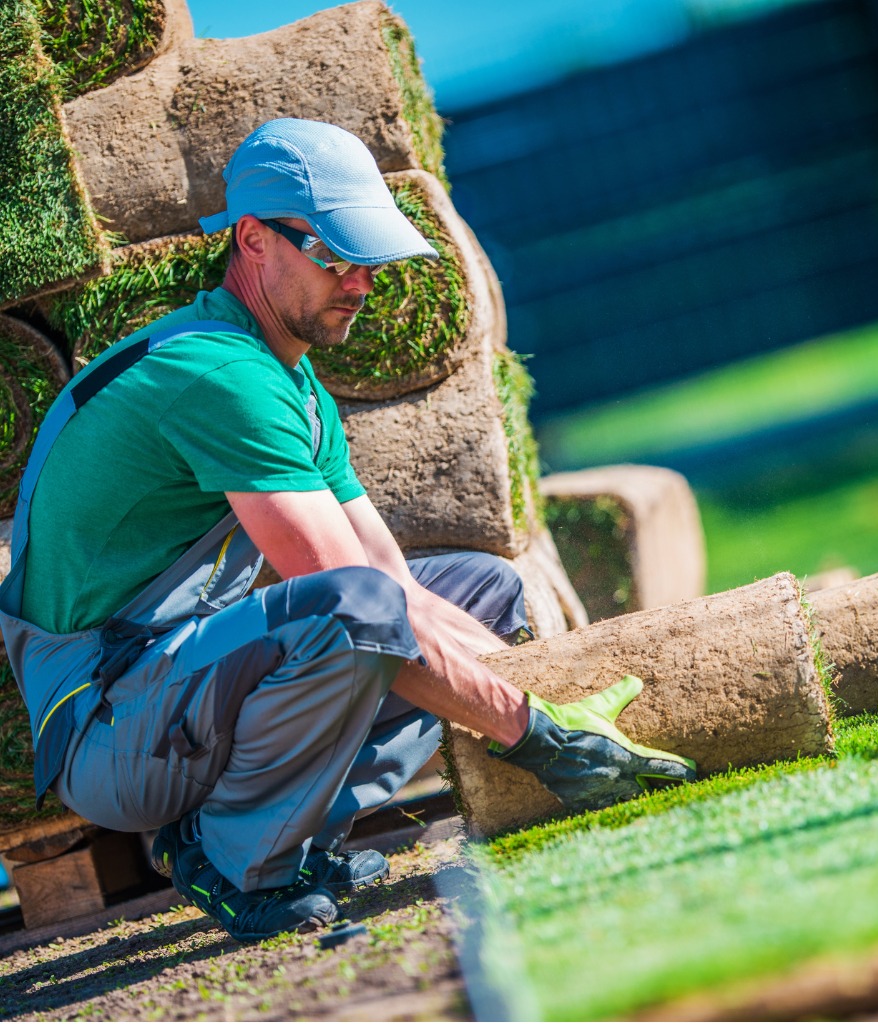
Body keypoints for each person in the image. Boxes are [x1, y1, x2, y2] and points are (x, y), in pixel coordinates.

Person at [0, 118, 696, 942]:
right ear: (254, 241)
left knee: (485, 588)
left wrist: (549, 690)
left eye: (370, 258)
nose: (362, 282)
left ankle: (267, 829)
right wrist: (536, 732)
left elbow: (395, 586)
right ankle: (236, 860)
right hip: (111, 730)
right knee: (358, 616)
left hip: (176, 688)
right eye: (337, 255)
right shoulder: (218, 377)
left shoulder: (290, 383)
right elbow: (362, 609)